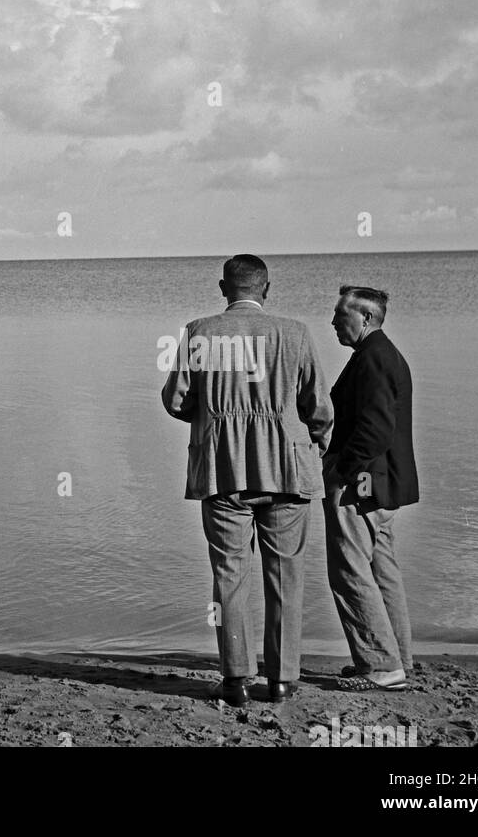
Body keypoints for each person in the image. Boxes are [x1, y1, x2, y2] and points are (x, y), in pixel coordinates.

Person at [160, 254, 333, 707]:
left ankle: (236, 678)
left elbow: (176, 400)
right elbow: (318, 405)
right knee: (286, 577)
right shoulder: (294, 333)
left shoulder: (200, 331)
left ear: (224, 288)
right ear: (267, 289)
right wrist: (318, 439)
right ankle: (282, 680)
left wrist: (213, 417)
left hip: (222, 468)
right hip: (287, 468)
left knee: (229, 577)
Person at [324, 285, 420, 692]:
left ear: (365, 318)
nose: (332, 322)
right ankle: (398, 658)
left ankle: (382, 666)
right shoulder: (378, 354)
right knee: (382, 571)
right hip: (383, 484)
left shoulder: (374, 359)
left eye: (339, 315)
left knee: (349, 571)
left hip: (363, 483)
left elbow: (375, 431)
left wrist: (338, 471)